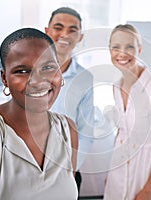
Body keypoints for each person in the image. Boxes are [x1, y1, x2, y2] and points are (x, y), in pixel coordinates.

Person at [0, 28, 78, 199]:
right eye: (22, 71)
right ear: (4, 78)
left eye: (48, 67)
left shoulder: (68, 130)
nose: (38, 81)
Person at [103, 24, 151, 200]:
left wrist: (148, 189)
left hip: (146, 174)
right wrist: (110, 173)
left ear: (139, 49)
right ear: (109, 50)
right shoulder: (116, 87)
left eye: (129, 47)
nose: (122, 53)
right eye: (116, 47)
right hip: (117, 175)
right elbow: (121, 133)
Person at [45, 7, 94, 192]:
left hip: (66, 170)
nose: (65, 34)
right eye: (58, 27)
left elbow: (86, 130)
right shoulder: (29, 71)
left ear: (80, 37)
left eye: (72, 30)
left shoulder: (85, 78)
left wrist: (72, 168)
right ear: (47, 31)